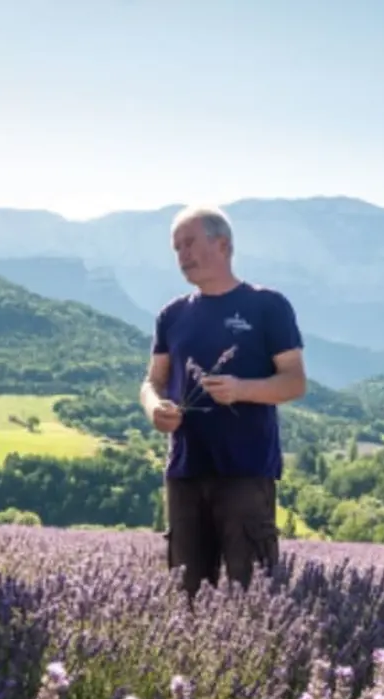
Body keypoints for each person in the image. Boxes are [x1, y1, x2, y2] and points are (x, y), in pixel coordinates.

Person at [140, 205, 307, 597]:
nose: (182, 255)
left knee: (252, 594)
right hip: (185, 472)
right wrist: (154, 408)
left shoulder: (268, 306)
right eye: (176, 247)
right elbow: (153, 380)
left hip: (245, 472)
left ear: (224, 245)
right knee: (186, 596)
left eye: (190, 243)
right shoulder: (172, 315)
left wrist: (240, 389)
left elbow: (295, 382)